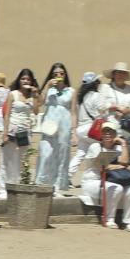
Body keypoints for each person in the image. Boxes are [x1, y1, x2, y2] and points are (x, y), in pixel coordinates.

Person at [80, 121, 130, 231]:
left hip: (111, 181)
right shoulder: (95, 147)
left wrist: (123, 143)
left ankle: (128, 222)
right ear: (101, 135)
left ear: (115, 135)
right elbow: (103, 166)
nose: (107, 134)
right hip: (92, 182)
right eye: (105, 132)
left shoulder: (118, 148)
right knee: (117, 189)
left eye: (110, 132)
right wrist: (119, 166)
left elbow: (125, 162)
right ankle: (109, 219)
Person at [34, 62, 74, 192]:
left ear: (65, 75)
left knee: (62, 155)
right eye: (55, 74)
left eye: (61, 73)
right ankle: (42, 183)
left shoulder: (71, 91)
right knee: (46, 153)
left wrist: (74, 132)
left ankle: (57, 186)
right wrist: (46, 86)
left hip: (65, 125)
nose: (59, 76)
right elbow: (39, 103)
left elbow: (74, 113)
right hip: (50, 124)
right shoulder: (49, 90)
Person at [0, 69, 39, 199]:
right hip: (12, 129)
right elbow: (7, 114)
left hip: (25, 131)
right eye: (23, 79)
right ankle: (3, 189)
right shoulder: (13, 94)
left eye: (28, 79)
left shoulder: (32, 97)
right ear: (19, 80)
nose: (25, 81)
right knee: (7, 160)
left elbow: (37, 111)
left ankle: (16, 187)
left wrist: (35, 96)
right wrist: (5, 132)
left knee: (20, 161)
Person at [70, 72, 108, 179]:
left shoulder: (81, 98)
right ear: (95, 83)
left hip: (81, 129)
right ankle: (94, 175)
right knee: (98, 150)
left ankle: (68, 176)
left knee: (80, 154)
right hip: (92, 129)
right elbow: (103, 109)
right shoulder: (96, 96)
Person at [100, 63, 130, 164]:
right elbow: (100, 106)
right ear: (113, 74)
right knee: (109, 163)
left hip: (128, 132)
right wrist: (114, 107)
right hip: (110, 132)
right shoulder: (105, 88)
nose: (121, 75)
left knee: (127, 162)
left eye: (123, 73)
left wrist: (128, 110)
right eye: (118, 72)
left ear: (126, 76)